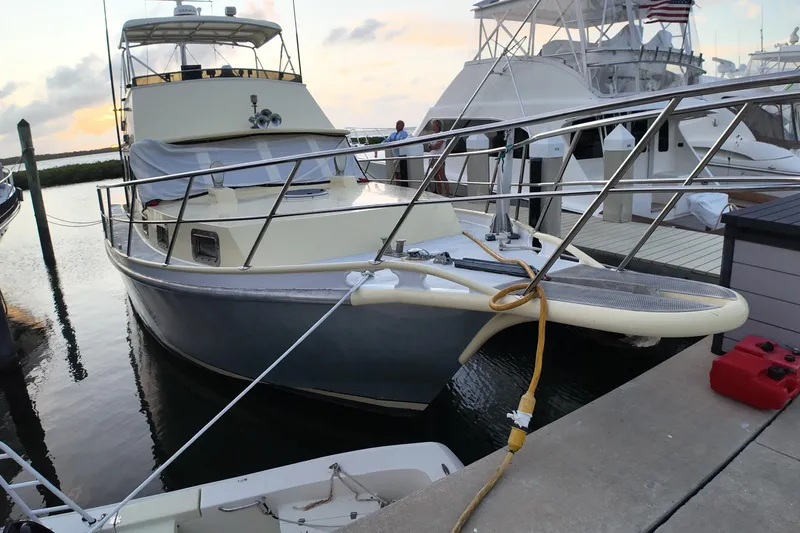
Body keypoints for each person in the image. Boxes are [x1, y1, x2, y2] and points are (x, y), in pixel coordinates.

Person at [426, 119, 451, 196]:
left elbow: (437, 146)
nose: (432, 126)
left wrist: (432, 146)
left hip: (439, 158)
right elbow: (429, 147)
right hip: (432, 158)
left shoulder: (442, 134)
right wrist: (432, 146)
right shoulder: (432, 135)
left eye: (433, 124)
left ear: (438, 125)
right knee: (436, 177)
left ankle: (447, 194)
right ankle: (439, 194)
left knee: (442, 176)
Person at [382, 120, 410, 187]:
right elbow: (386, 141)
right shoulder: (393, 134)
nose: (397, 126)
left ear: (402, 126)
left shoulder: (404, 133)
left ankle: (401, 186)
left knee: (401, 172)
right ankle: (398, 185)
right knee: (396, 172)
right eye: (396, 124)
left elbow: (402, 142)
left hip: (401, 156)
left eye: (399, 124)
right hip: (395, 157)